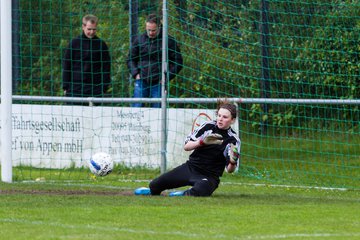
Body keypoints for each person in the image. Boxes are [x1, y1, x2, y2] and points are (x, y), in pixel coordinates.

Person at [134, 100, 241, 197]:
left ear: (232, 120)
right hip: (190, 168)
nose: (220, 119)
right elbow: (187, 147)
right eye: (219, 115)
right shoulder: (207, 126)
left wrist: (232, 161)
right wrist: (201, 142)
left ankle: (184, 194)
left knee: (201, 190)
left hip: (209, 176)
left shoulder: (233, 140)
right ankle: (151, 190)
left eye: (225, 117)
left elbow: (230, 170)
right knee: (155, 185)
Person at [127, 13, 183, 108]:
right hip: (141, 80)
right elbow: (130, 59)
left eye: (153, 30)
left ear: (159, 27)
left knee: (158, 110)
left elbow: (178, 62)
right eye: (148, 30)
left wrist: (167, 76)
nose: (151, 33)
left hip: (159, 82)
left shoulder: (168, 41)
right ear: (145, 26)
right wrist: (135, 73)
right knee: (136, 108)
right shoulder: (139, 40)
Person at [62, 14, 111, 105]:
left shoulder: (101, 45)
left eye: (94, 29)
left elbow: (106, 68)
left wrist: (104, 87)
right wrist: (65, 87)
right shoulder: (74, 43)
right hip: (75, 89)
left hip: (94, 89)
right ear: (83, 27)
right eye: (89, 29)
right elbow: (66, 65)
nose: (92, 32)